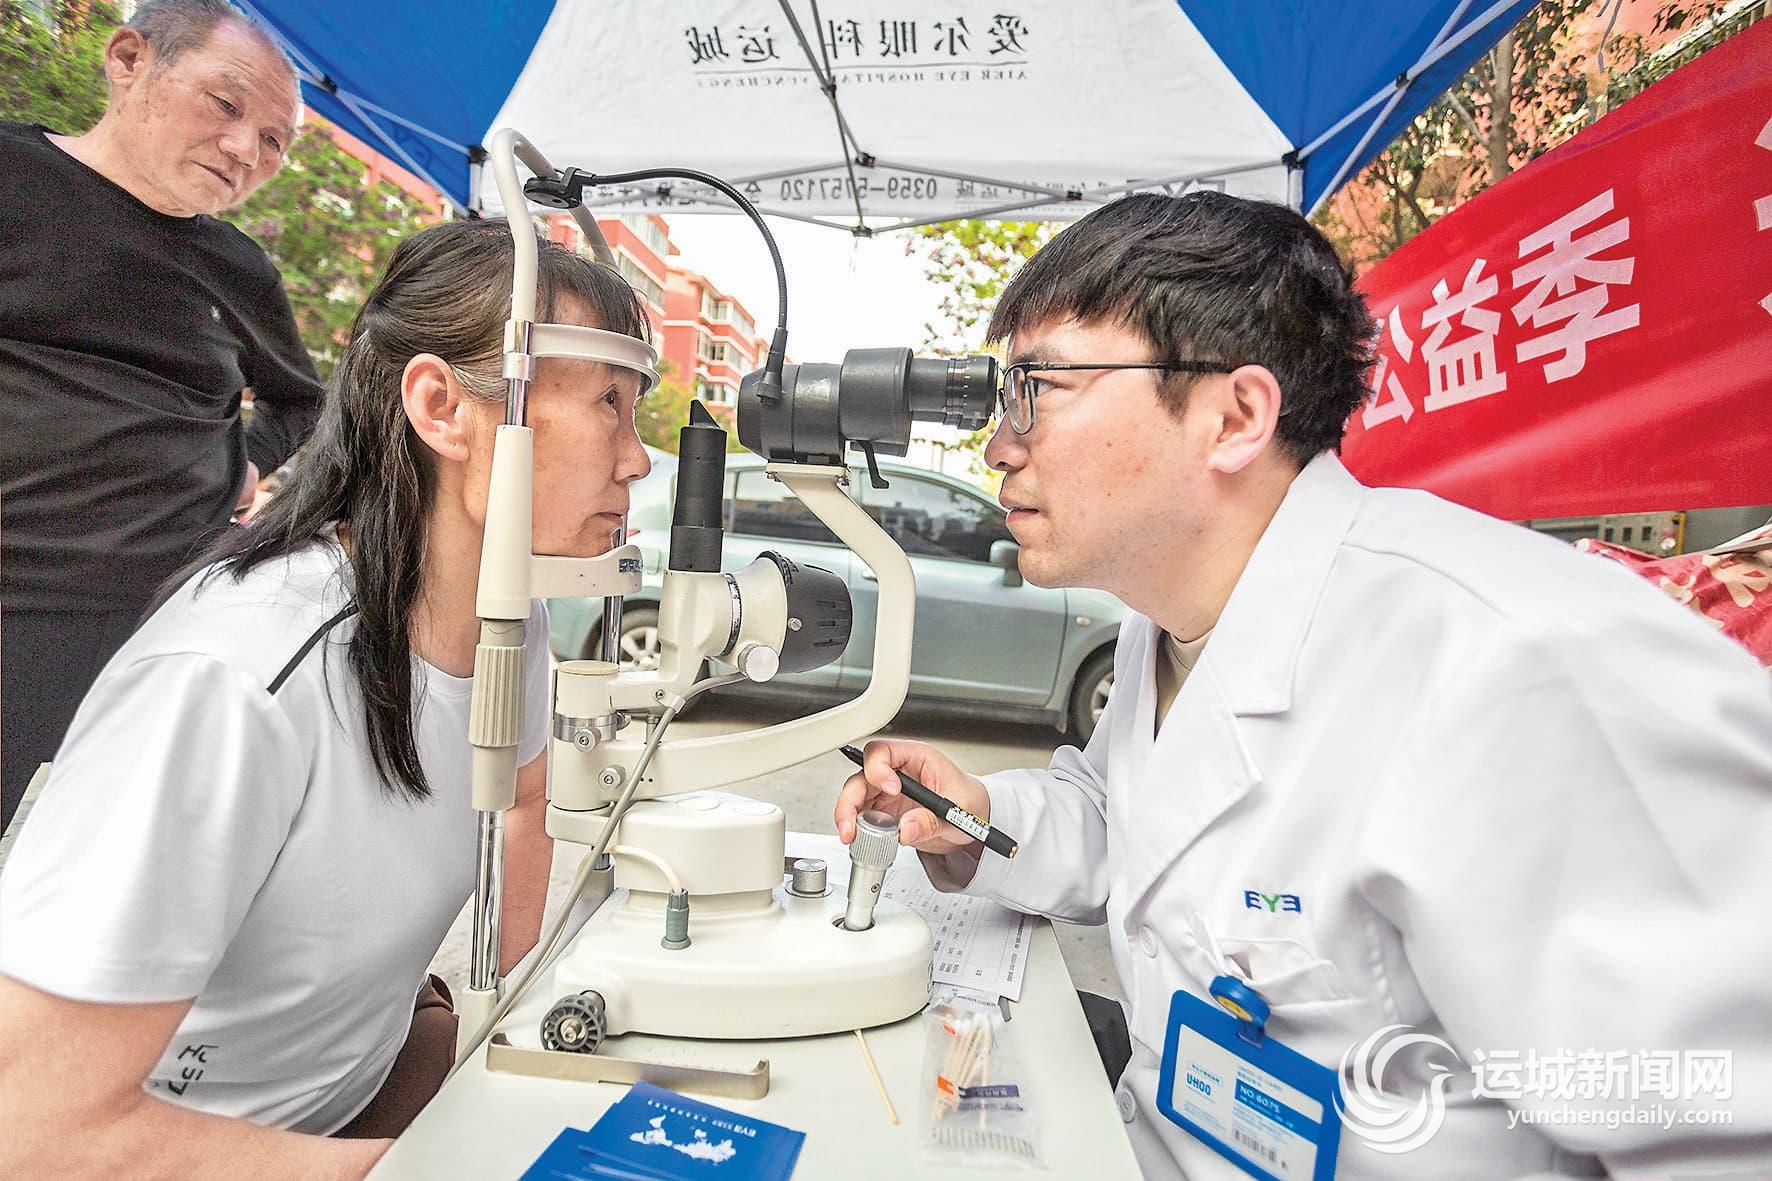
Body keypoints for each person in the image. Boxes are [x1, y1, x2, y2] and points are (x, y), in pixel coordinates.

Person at [836, 193, 1772, 1177]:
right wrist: (974, 815)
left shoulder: (1517, 663)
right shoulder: (1173, 611)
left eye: (1037, 388)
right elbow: (1128, 817)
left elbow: (1724, 1130)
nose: (998, 444)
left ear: (1234, 416)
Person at [0, 219, 654, 1177]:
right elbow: (31, 1130)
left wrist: (495, 1017)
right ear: (443, 407)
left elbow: (524, 799)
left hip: (361, 1087)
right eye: (609, 404)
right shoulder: (232, 679)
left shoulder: (509, 616)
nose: (638, 458)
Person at [0, 0, 323, 827]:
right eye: (225, 103)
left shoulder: (239, 268)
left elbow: (302, 398)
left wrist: (249, 461)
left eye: (274, 140)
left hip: (172, 625)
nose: (246, 150)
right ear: (128, 60)